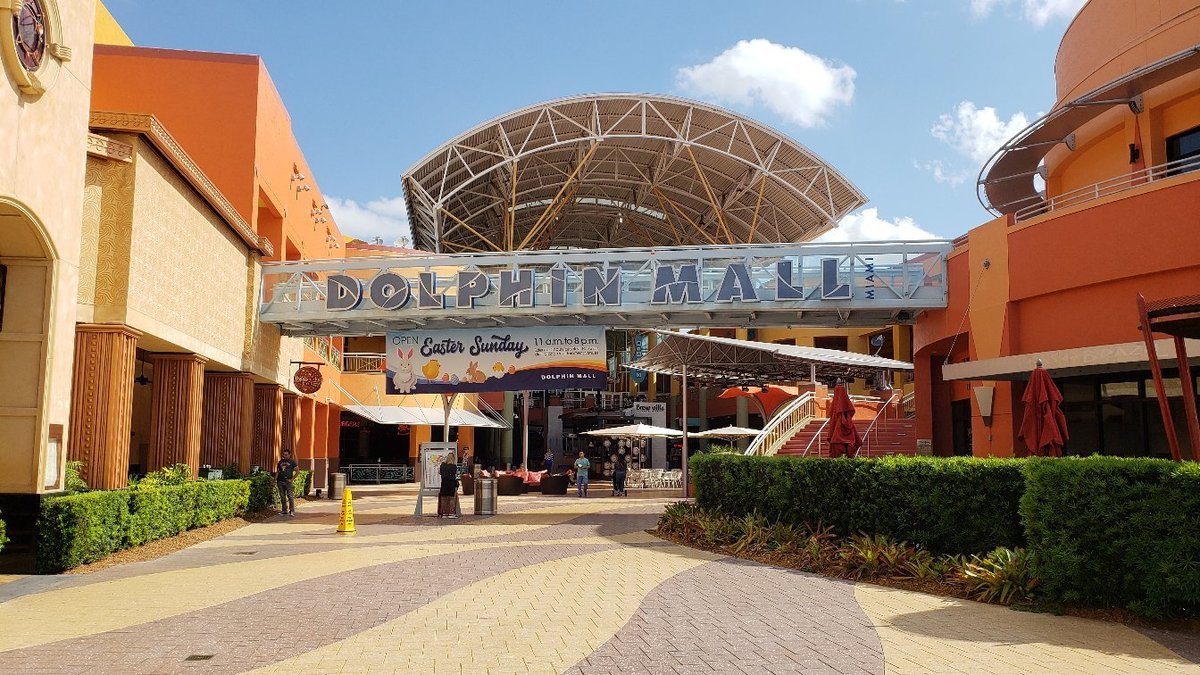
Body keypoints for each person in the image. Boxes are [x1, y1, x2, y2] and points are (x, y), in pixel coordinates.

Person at [275, 449, 298, 517]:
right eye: (284, 454)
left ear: (289, 455)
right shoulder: (280, 462)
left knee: (290, 496)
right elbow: (278, 472)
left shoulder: (292, 462)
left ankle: (292, 510)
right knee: (282, 496)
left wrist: (292, 479)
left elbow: (297, 471)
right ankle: (284, 510)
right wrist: (275, 480)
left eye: (286, 454)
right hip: (280, 481)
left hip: (288, 482)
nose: (284, 456)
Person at [437, 453, 460, 519]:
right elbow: (454, 475)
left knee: (444, 498)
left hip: (444, 483)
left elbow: (440, 473)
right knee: (451, 499)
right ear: (453, 458)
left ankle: (444, 513)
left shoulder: (443, 466)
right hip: (451, 484)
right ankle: (451, 513)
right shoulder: (453, 466)